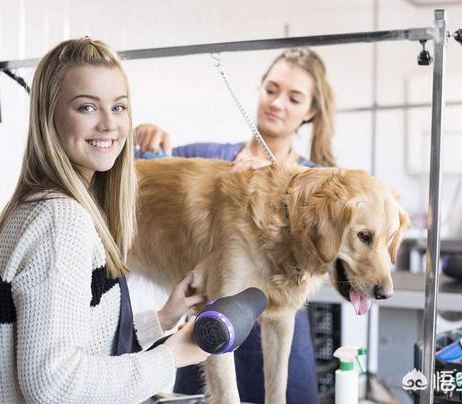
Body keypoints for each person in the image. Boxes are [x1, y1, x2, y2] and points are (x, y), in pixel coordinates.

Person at [0, 37, 209, 404]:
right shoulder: (62, 221)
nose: (109, 125)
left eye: (118, 107)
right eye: (87, 107)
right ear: (49, 115)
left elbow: (82, 346)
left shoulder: (35, 206)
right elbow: (54, 383)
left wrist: (166, 318)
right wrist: (173, 357)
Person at [136, 47, 336, 403]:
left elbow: (324, 258)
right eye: (271, 90)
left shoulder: (315, 185)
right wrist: (147, 140)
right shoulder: (211, 159)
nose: (277, 103)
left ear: (311, 111)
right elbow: (146, 174)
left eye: (294, 98)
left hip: (281, 335)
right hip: (212, 332)